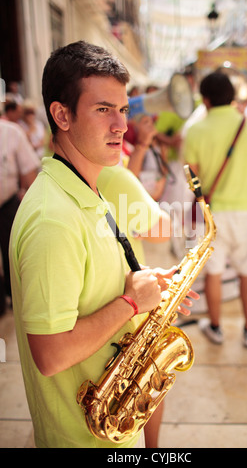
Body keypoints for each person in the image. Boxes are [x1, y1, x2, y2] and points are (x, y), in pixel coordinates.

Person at [9, 40, 197, 449]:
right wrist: (130, 304)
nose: (121, 126)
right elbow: (51, 354)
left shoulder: (85, 187)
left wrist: (144, 286)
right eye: (102, 110)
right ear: (61, 114)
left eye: (123, 109)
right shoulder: (52, 220)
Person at [183, 71, 247, 348]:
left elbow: (192, 179)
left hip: (212, 213)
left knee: (214, 273)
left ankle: (216, 327)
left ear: (205, 100)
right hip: (245, 210)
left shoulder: (196, 131)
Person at [0, 118, 40, 313]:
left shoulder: (11, 132)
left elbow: (29, 174)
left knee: (11, 257)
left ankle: (13, 299)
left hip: (7, 206)